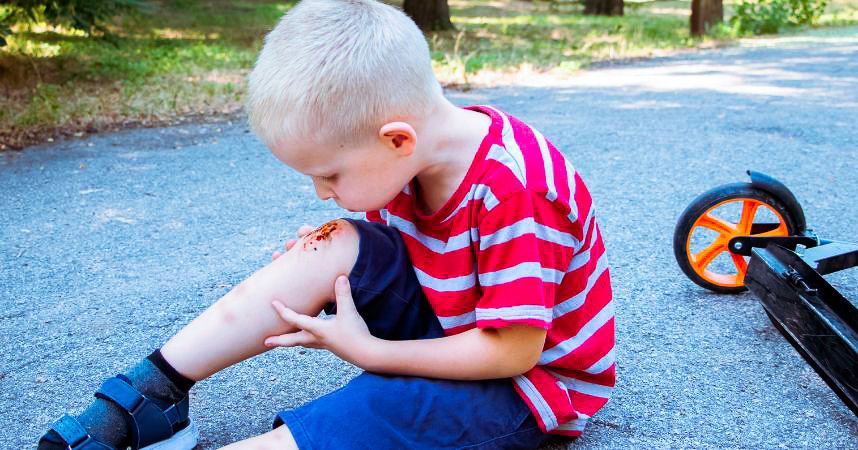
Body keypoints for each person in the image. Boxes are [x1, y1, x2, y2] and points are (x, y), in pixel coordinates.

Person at [38, 0, 615, 448]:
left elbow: (510, 352)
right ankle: (154, 393)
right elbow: (384, 250)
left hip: (525, 380)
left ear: (396, 139)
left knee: (374, 411)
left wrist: (372, 352)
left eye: (330, 175)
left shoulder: (519, 191)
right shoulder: (406, 158)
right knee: (329, 243)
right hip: (451, 318)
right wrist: (321, 268)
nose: (322, 191)